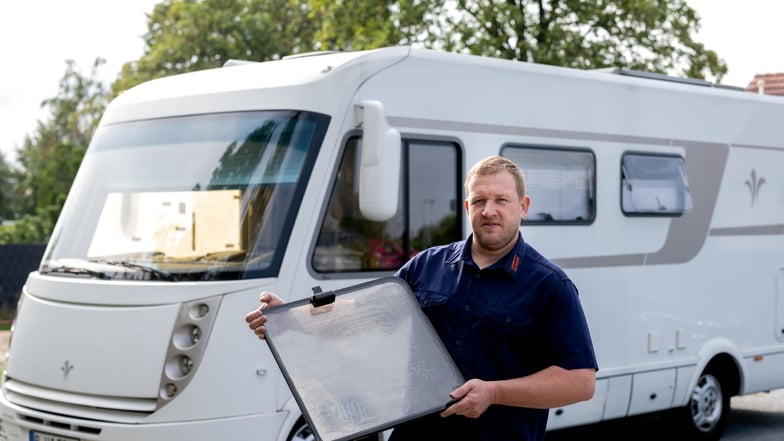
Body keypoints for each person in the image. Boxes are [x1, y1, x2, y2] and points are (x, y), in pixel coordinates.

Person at [245, 155, 598, 441]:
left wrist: (493, 393)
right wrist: (292, 317)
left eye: (501, 200)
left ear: (523, 206)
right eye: (480, 200)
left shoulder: (549, 285)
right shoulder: (428, 264)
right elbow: (365, 314)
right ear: (466, 205)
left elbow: (579, 382)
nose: (489, 210)